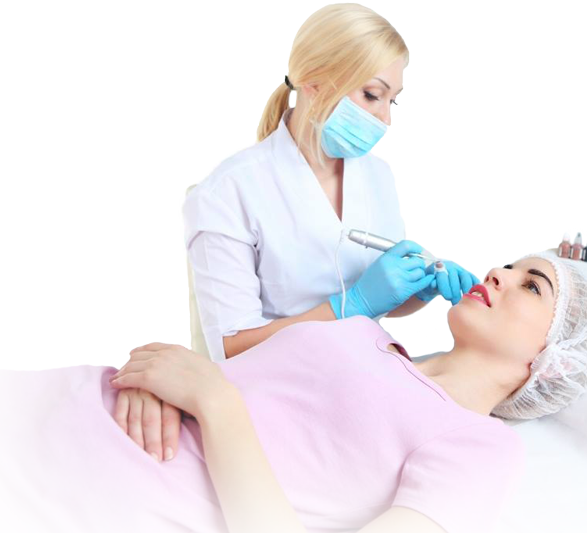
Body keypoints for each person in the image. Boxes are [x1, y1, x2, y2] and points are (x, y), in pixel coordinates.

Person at [0, 255, 587, 532]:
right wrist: (158, 380)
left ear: (553, 360)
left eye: (532, 285)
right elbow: (218, 366)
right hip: (18, 411)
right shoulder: (366, 332)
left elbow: (218, 393)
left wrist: (214, 404)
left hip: (39, 513)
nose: (500, 272)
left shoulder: (482, 448)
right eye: (510, 263)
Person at [122, 2, 479, 465]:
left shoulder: (378, 177)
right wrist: (351, 306)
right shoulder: (228, 192)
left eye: (393, 101)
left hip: (366, 384)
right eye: (373, 95)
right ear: (314, 82)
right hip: (277, 401)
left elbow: (385, 299)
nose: (386, 119)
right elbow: (231, 351)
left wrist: (419, 289)